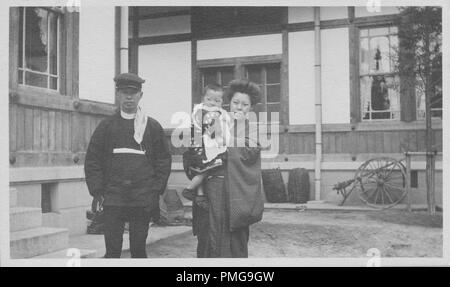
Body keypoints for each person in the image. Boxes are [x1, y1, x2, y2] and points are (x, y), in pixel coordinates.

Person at [84, 72, 172, 258]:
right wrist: (98, 191)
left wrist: (155, 190)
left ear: (141, 95)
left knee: (139, 250)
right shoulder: (106, 126)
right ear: (118, 94)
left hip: (142, 198)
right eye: (124, 92)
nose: (129, 97)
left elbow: (163, 161)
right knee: (113, 251)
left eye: (133, 92)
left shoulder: (152, 127)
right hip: (114, 197)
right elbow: (93, 160)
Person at [190, 79, 264, 258]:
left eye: (245, 104)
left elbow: (251, 150)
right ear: (228, 104)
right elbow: (197, 149)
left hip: (235, 192)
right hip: (211, 189)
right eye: (235, 103)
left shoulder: (250, 128)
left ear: (250, 108)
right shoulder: (214, 120)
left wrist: (225, 143)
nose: (239, 107)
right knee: (208, 236)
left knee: (235, 240)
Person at [182, 84, 231, 205]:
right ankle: (189, 189)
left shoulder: (210, 112)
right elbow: (213, 130)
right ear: (203, 99)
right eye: (209, 99)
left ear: (222, 102)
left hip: (201, 144)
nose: (212, 103)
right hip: (202, 146)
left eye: (217, 100)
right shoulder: (205, 112)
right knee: (207, 168)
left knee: (200, 169)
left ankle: (200, 195)